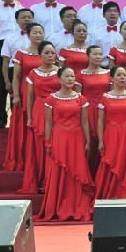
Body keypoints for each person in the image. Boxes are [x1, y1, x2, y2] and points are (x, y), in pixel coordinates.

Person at [38, 66, 94, 221]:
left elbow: (85, 122)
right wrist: (48, 141)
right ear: (59, 79)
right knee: (59, 171)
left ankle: (77, 205)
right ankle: (58, 206)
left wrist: (88, 141)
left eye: (72, 76)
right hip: (59, 137)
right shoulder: (51, 99)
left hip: (77, 138)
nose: (70, 79)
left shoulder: (81, 99)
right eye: (67, 76)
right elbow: (48, 123)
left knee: (77, 169)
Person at [94, 65, 126, 199]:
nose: (122, 77)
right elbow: (100, 121)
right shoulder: (105, 97)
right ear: (112, 78)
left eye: (124, 75)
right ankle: (110, 193)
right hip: (111, 134)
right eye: (119, 75)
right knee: (112, 161)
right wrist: (100, 141)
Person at [18, 41, 60, 194]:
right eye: (46, 53)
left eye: (52, 53)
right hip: (39, 110)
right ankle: (40, 180)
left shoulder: (61, 71)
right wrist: (29, 117)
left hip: (57, 111)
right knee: (39, 146)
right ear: (40, 55)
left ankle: (52, 181)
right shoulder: (33, 73)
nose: (50, 56)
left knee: (54, 145)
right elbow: (30, 97)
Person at [3, 22, 44, 171]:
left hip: (42, 92)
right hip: (25, 90)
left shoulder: (47, 52)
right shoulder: (21, 54)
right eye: (35, 32)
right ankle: (23, 158)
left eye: (40, 32)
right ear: (28, 35)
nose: (38, 35)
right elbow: (17, 77)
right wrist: (16, 95)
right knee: (24, 123)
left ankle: (39, 158)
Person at [77, 45, 111, 171]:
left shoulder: (108, 73)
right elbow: (78, 97)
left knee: (105, 140)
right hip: (88, 109)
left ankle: (102, 173)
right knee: (89, 140)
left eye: (100, 54)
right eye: (95, 54)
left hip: (105, 109)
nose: (98, 56)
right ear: (88, 56)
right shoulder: (81, 74)